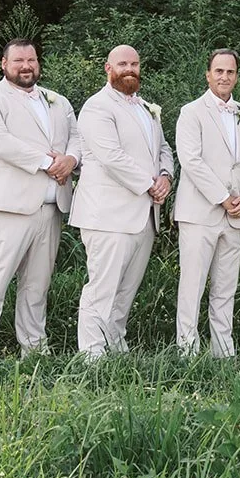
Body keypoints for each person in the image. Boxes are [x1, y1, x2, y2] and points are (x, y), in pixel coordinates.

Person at [0, 39, 80, 358]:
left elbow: (77, 138)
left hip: (50, 206)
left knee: (37, 285)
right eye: (18, 60)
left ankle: (34, 348)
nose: (26, 65)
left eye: (31, 59)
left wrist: (71, 160)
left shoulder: (58, 101)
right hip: (5, 206)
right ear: (4, 64)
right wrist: (49, 163)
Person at [72, 45, 175, 356]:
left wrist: (166, 176)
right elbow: (111, 157)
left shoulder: (146, 108)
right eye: (122, 64)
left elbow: (164, 148)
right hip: (107, 215)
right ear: (108, 68)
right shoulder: (97, 107)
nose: (129, 69)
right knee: (102, 288)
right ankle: (92, 354)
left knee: (126, 290)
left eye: (134, 63)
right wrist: (149, 185)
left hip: (144, 215)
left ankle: (116, 346)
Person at [172, 48, 240, 357]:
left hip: (237, 214)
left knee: (226, 286)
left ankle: (223, 349)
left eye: (231, 72)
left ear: (237, 76)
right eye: (219, 71)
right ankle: (187, 349)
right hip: (200, 212)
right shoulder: (191, 112)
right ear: (208, 74)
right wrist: (224, 199)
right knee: (193, 284)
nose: (225, 77)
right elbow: (191, 161)